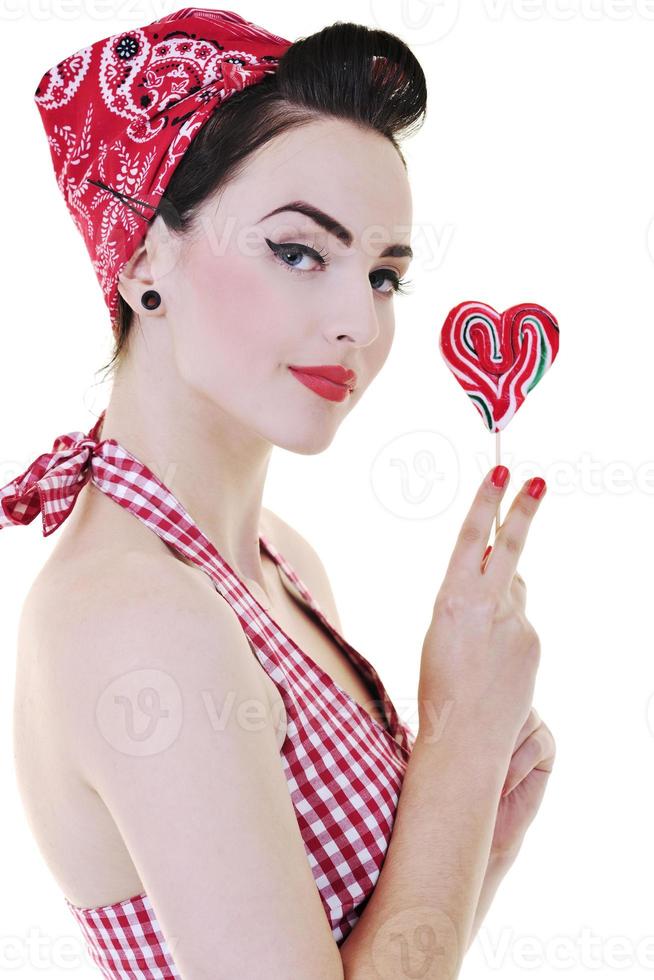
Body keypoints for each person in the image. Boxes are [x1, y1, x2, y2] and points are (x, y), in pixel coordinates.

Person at [2, 8, 555, 979]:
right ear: (141, 260)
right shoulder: (134, 617)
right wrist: (460, 743)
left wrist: (482, 844)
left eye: (385, 274)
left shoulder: (281, 559)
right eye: (301, 250)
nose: (358, 320)